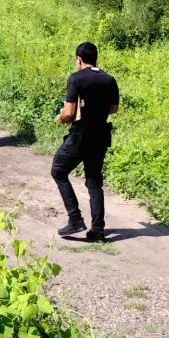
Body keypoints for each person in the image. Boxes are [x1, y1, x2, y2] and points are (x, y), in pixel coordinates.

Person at [52, 42, 119, 242]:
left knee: (58, 171)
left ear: (79, 59)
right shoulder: (109, 79)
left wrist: (61, 117)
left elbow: (69, 113)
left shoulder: (76, 78)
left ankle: (75, 219)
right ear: (96, 58)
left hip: (80, 135)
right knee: (94, 181)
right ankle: (97, 230)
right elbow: (113, 109)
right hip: (100, 135)